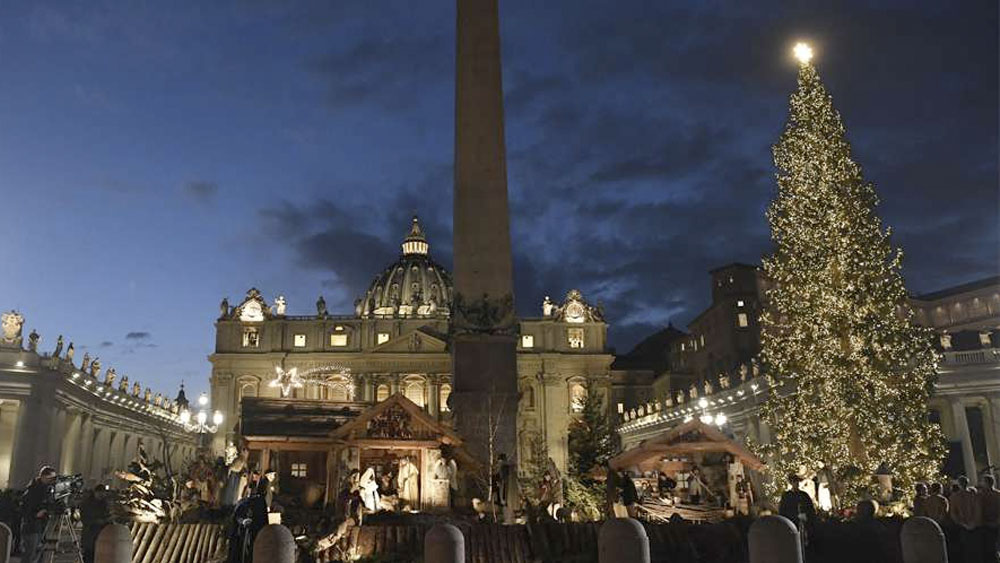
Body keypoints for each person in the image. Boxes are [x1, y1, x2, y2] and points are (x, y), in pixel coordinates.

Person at [21, 466, 57, 563]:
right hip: (31, 527)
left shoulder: (47, 489)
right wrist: (35, 514)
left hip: (41, 525)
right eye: (51, 478)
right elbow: (24, 508)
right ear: (43, 477)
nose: (52, 481)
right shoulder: (33, 490)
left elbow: (49, 504)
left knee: (39, 554)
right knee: (30, 555)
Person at [949, 475, 982, 563]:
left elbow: (953, 513)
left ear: (959, 485)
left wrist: (962, 523)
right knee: (977, 548)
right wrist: (975, 522)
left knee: (965, 549)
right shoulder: (973, 495)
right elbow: (978, 509)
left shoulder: (954, 497)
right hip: (975, 525)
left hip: (962, 526)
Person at [778, 474, 816, 550]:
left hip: (805, 525)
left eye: (797, 481)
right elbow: (783, 511)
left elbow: (810, 509)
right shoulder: (786, 496)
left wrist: (806, 516)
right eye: (794, 481)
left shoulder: (804, 495)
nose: (797, 483)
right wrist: (796, 516)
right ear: (791, 483)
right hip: (793, 525)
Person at [80, 485, 112, 563]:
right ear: (95, 492)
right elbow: (84, 518)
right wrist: (96, 521)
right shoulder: (87, 503)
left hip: (102, 534)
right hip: (90, 533)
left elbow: (108, 515)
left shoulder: (105, 503)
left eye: (103, 493)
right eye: (100, 493)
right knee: (89, 556)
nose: (101, 495)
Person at [978, 474, 1000, 563]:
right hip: (995, 522)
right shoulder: (998, 494)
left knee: (990, 547)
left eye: (983, 482)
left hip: (987, 523)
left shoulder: (981, 496)